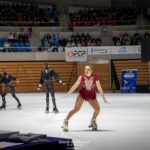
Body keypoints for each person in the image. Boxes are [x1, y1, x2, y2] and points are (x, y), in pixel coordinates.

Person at [61, 65, 109, 131]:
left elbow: (99, 87)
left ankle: (93, 120)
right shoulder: (81, 77)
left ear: (91, 70)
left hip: (91, 95)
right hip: (82, 94)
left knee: (97, 109)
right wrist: (68, 94)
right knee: (76, 109)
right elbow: (74, 86)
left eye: (88, 69)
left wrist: (104, 98)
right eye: (85, 69)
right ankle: (66, 121)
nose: (86, 70)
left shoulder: (95, 76)